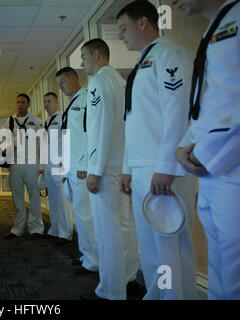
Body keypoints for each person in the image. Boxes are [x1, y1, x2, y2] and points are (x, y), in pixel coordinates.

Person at [117, 1, 198, 299]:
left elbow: (177, 113)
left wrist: (166, 165)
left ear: (143, 23)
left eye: (124, 28)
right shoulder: (141, 65)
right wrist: (127, 167)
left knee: (168, 250)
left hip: (161, 168)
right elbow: (135, 122)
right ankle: (159, 295)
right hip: (142, 167)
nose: (121, 35)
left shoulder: (169, 55)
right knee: (151, 249)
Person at [173, 0, 240, 300]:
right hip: (210, 167)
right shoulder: (213, 27)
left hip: (229, 163)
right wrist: (186, 145)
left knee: (234, 272)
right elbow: (209, 99)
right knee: (222, 269)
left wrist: (208, 153)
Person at [80, 39, 139, 300]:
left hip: (105, 169)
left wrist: (95, 169)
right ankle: (126, 280)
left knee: (108, 232)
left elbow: (101, 128)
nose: (82, 63)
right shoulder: (119, 81)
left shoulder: (100, 82)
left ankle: (111, 291)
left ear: (97, 54)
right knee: (123, 227)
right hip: (120, 165)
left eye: (84, 57)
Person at [56, 67, 99, 275]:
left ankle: (93, 262)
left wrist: (85, 165)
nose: (60, 87)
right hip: (71, 169)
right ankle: (86, 254)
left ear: (73, 78)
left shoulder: (86, 99)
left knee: (85, 215)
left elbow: (91, 133)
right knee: (80, 215)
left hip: (82, 169)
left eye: (62, 82)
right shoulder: (71, 103)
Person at [4, 94, 44, 240]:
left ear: (28, 104)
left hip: (32, 163)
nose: (19, 104)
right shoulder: (9, 121)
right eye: (18, 102)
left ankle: (36, 228)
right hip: (15, 164)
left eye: (22, 102)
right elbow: (4, 142)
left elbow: (42, 143)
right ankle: (17, 228)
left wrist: (41, 165)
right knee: (17, 197)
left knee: (34, 196)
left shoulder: (36, 121)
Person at [38, 92, 74, 244]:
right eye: (45, 102)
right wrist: (41, 166)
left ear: (57, 103)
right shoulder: (46, 121)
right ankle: (54, 230)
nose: (46, 104)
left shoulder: (61, 118)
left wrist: (65, 163)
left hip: (59, 165)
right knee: (52, 199)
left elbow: (67, 141)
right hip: (48, 166)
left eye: (49, 101)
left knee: (62, 199)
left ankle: (65, 233)